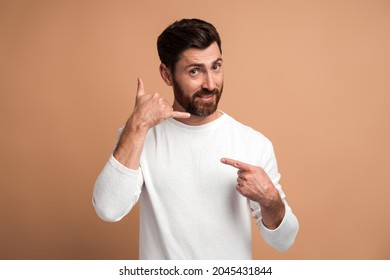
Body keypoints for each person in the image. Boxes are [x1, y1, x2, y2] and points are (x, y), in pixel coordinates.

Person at [92, 18, 299, 260]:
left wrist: (270, 199)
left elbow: (284, 241)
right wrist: (137, 126)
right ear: (167, 75)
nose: (210, 84)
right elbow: (108, 209)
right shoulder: (139, 136)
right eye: (195, 71)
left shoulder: (252, 143)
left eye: (216, 67)